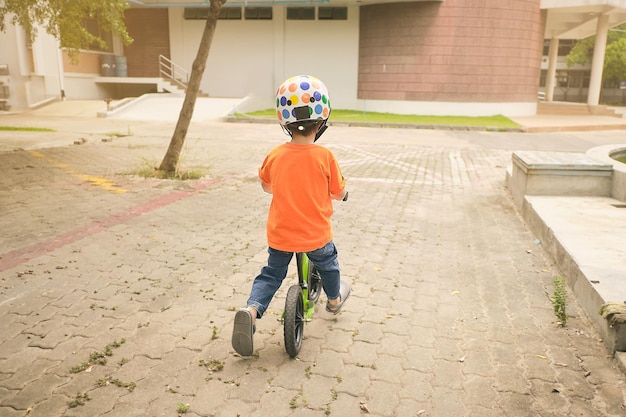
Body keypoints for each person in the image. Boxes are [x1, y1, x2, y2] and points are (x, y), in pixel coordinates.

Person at [231, 75, 350, 357]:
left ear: (284, 123)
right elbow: (337, 191)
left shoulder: (276, 155)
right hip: (315, 236)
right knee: (329, 265)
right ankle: (333, 300)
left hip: (281, 234)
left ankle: (251, 309)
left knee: (272, 274)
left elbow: (266, 185)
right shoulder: (325, 156)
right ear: (321, 122)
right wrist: (344, 194)